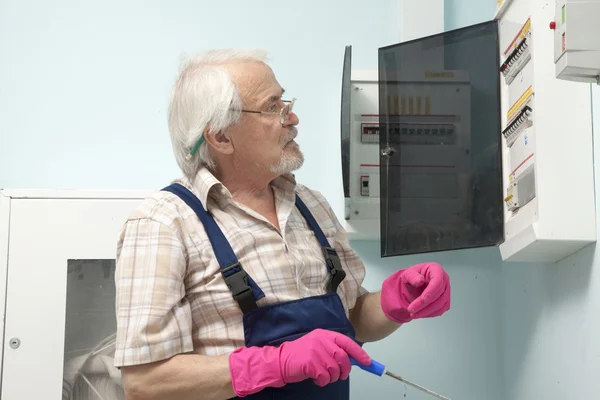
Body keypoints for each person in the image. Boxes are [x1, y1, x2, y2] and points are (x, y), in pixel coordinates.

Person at [113, 49, 451, 400]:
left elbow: (351, 318)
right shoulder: (163, 223)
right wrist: (276, 364)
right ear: (221, 137)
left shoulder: (312, 206)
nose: (293, 118)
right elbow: (145, 383)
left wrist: (396, 301)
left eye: (284, 102)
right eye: (272, 107)